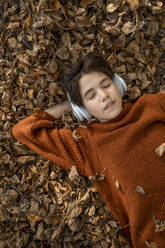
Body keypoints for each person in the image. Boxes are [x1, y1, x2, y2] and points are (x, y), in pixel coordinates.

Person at [12, 52, 165, 248]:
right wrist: (69, 106)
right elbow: (24, 130)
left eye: (106, 84)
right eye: (90, 96)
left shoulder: (152, 106)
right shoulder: (85, 143)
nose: (104, 96)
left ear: (117, 84)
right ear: (83, 109)